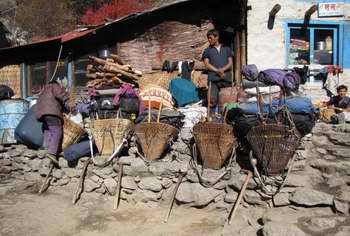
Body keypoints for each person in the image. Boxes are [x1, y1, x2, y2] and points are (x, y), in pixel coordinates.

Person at [35, 79, 73, 166]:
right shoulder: (54, 86)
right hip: (51, 112)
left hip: (41, 113)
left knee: (47, 129)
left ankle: (45, 148)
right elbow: (62, 96)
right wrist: (69, 104)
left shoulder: (44, 90)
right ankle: (52, 153)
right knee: (56, 131)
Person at [202, 29, 233, 111]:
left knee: (228, 99)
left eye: (210, 38)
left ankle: (226, 116)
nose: (209, 40)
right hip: (213, 79)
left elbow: (230, 63)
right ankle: (212, 118)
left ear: (217, 37)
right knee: (212, 99)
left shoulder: (226, 48)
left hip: (226, 78)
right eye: (208, 38)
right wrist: (217, 71)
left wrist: (222, 69)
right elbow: (207, 64)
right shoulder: (207, 51)